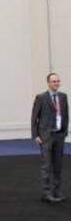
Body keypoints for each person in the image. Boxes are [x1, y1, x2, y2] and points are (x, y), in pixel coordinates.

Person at [31, 73, 68, 203]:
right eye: (53, 81)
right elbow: (34, 117)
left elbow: (66, 115)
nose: (56, 83)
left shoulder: (63, 97)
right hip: (46, 136)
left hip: (59, 136)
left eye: (58, 81)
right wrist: (35, 135)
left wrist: (64, 132)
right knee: (46, 165)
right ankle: (46, 193)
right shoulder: (41, 97)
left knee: (58, 166)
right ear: (48, 83)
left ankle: (57, 191)